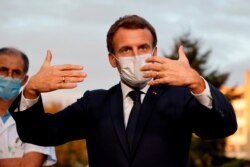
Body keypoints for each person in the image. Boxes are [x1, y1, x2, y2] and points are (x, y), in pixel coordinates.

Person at [8, 15, 237, 167]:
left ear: (154, 52)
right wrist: (31, 92)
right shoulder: (94, 103)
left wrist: (198, 84)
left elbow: (223, 127)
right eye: (126, 49)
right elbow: (40, 134)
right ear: (112, 59)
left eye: (143, 48)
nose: (136, 55)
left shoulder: (180, 97)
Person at [0, 47, 57, 167]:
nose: (9, 77)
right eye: (3, 70)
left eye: (16, 72)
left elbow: (29, 165)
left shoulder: (35, 119)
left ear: (24, 79)